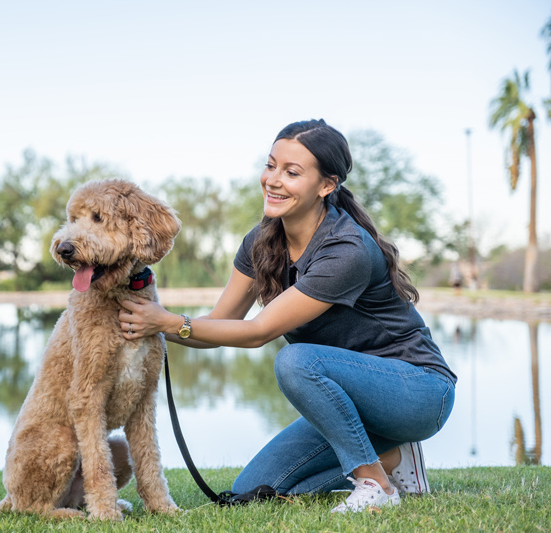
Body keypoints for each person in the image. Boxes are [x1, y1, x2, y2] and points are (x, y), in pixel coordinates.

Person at [118, 119, 456, 514]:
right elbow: (218, 323)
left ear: (326, 186)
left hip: (417, 392)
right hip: (351, 400)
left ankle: (374, 483)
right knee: (253, 489)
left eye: (292, 172)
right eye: (271, 165)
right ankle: (394, 459)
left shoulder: (345, 249)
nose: (273, 180)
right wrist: (148, 322)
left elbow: (258, 331)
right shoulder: (260, 241)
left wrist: (166, 321)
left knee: (296, 360)